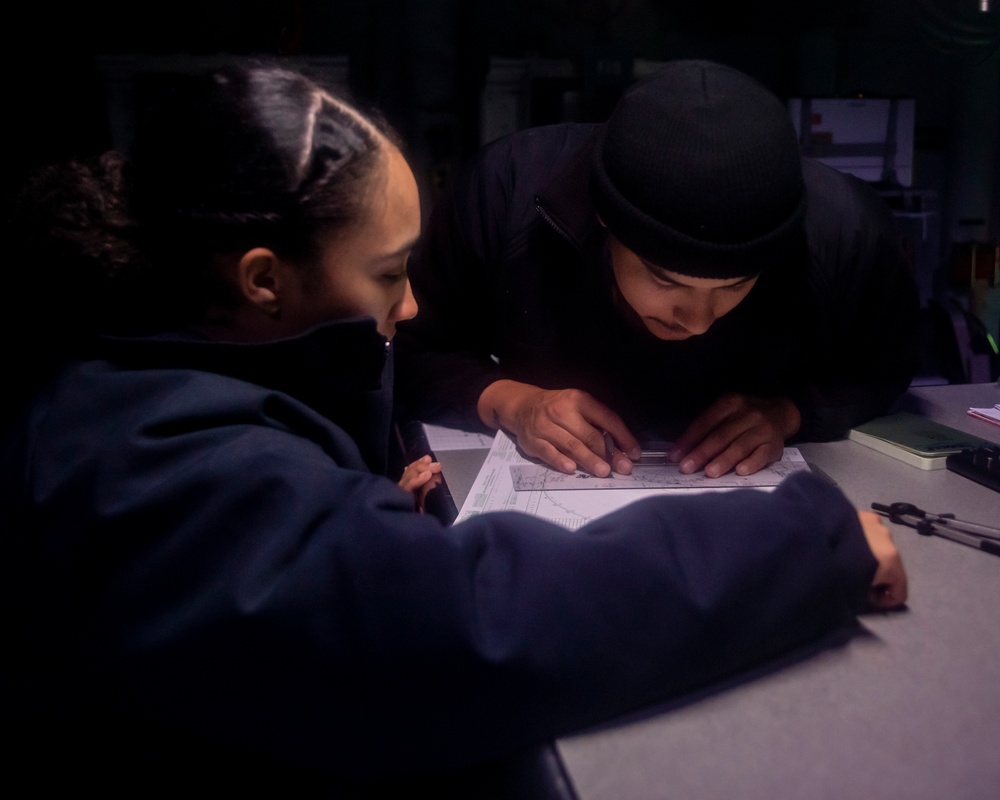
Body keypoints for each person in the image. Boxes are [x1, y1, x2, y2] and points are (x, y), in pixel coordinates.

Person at [1, 65, 906, 795]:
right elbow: (467, 629)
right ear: (264, 280)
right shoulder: (143, 456)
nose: (415, 301)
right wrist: (808, 542)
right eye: (390, 272)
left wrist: (348, 508)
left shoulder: (152, 373)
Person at [394, 60, 920, 481]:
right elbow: (409, 352)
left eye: (735, 284)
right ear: (603, 219)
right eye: (665, 279)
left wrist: (790, 411)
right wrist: (510, 400)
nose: (697, 319)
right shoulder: (508, 193)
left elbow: (886, 368)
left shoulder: (844, 231)